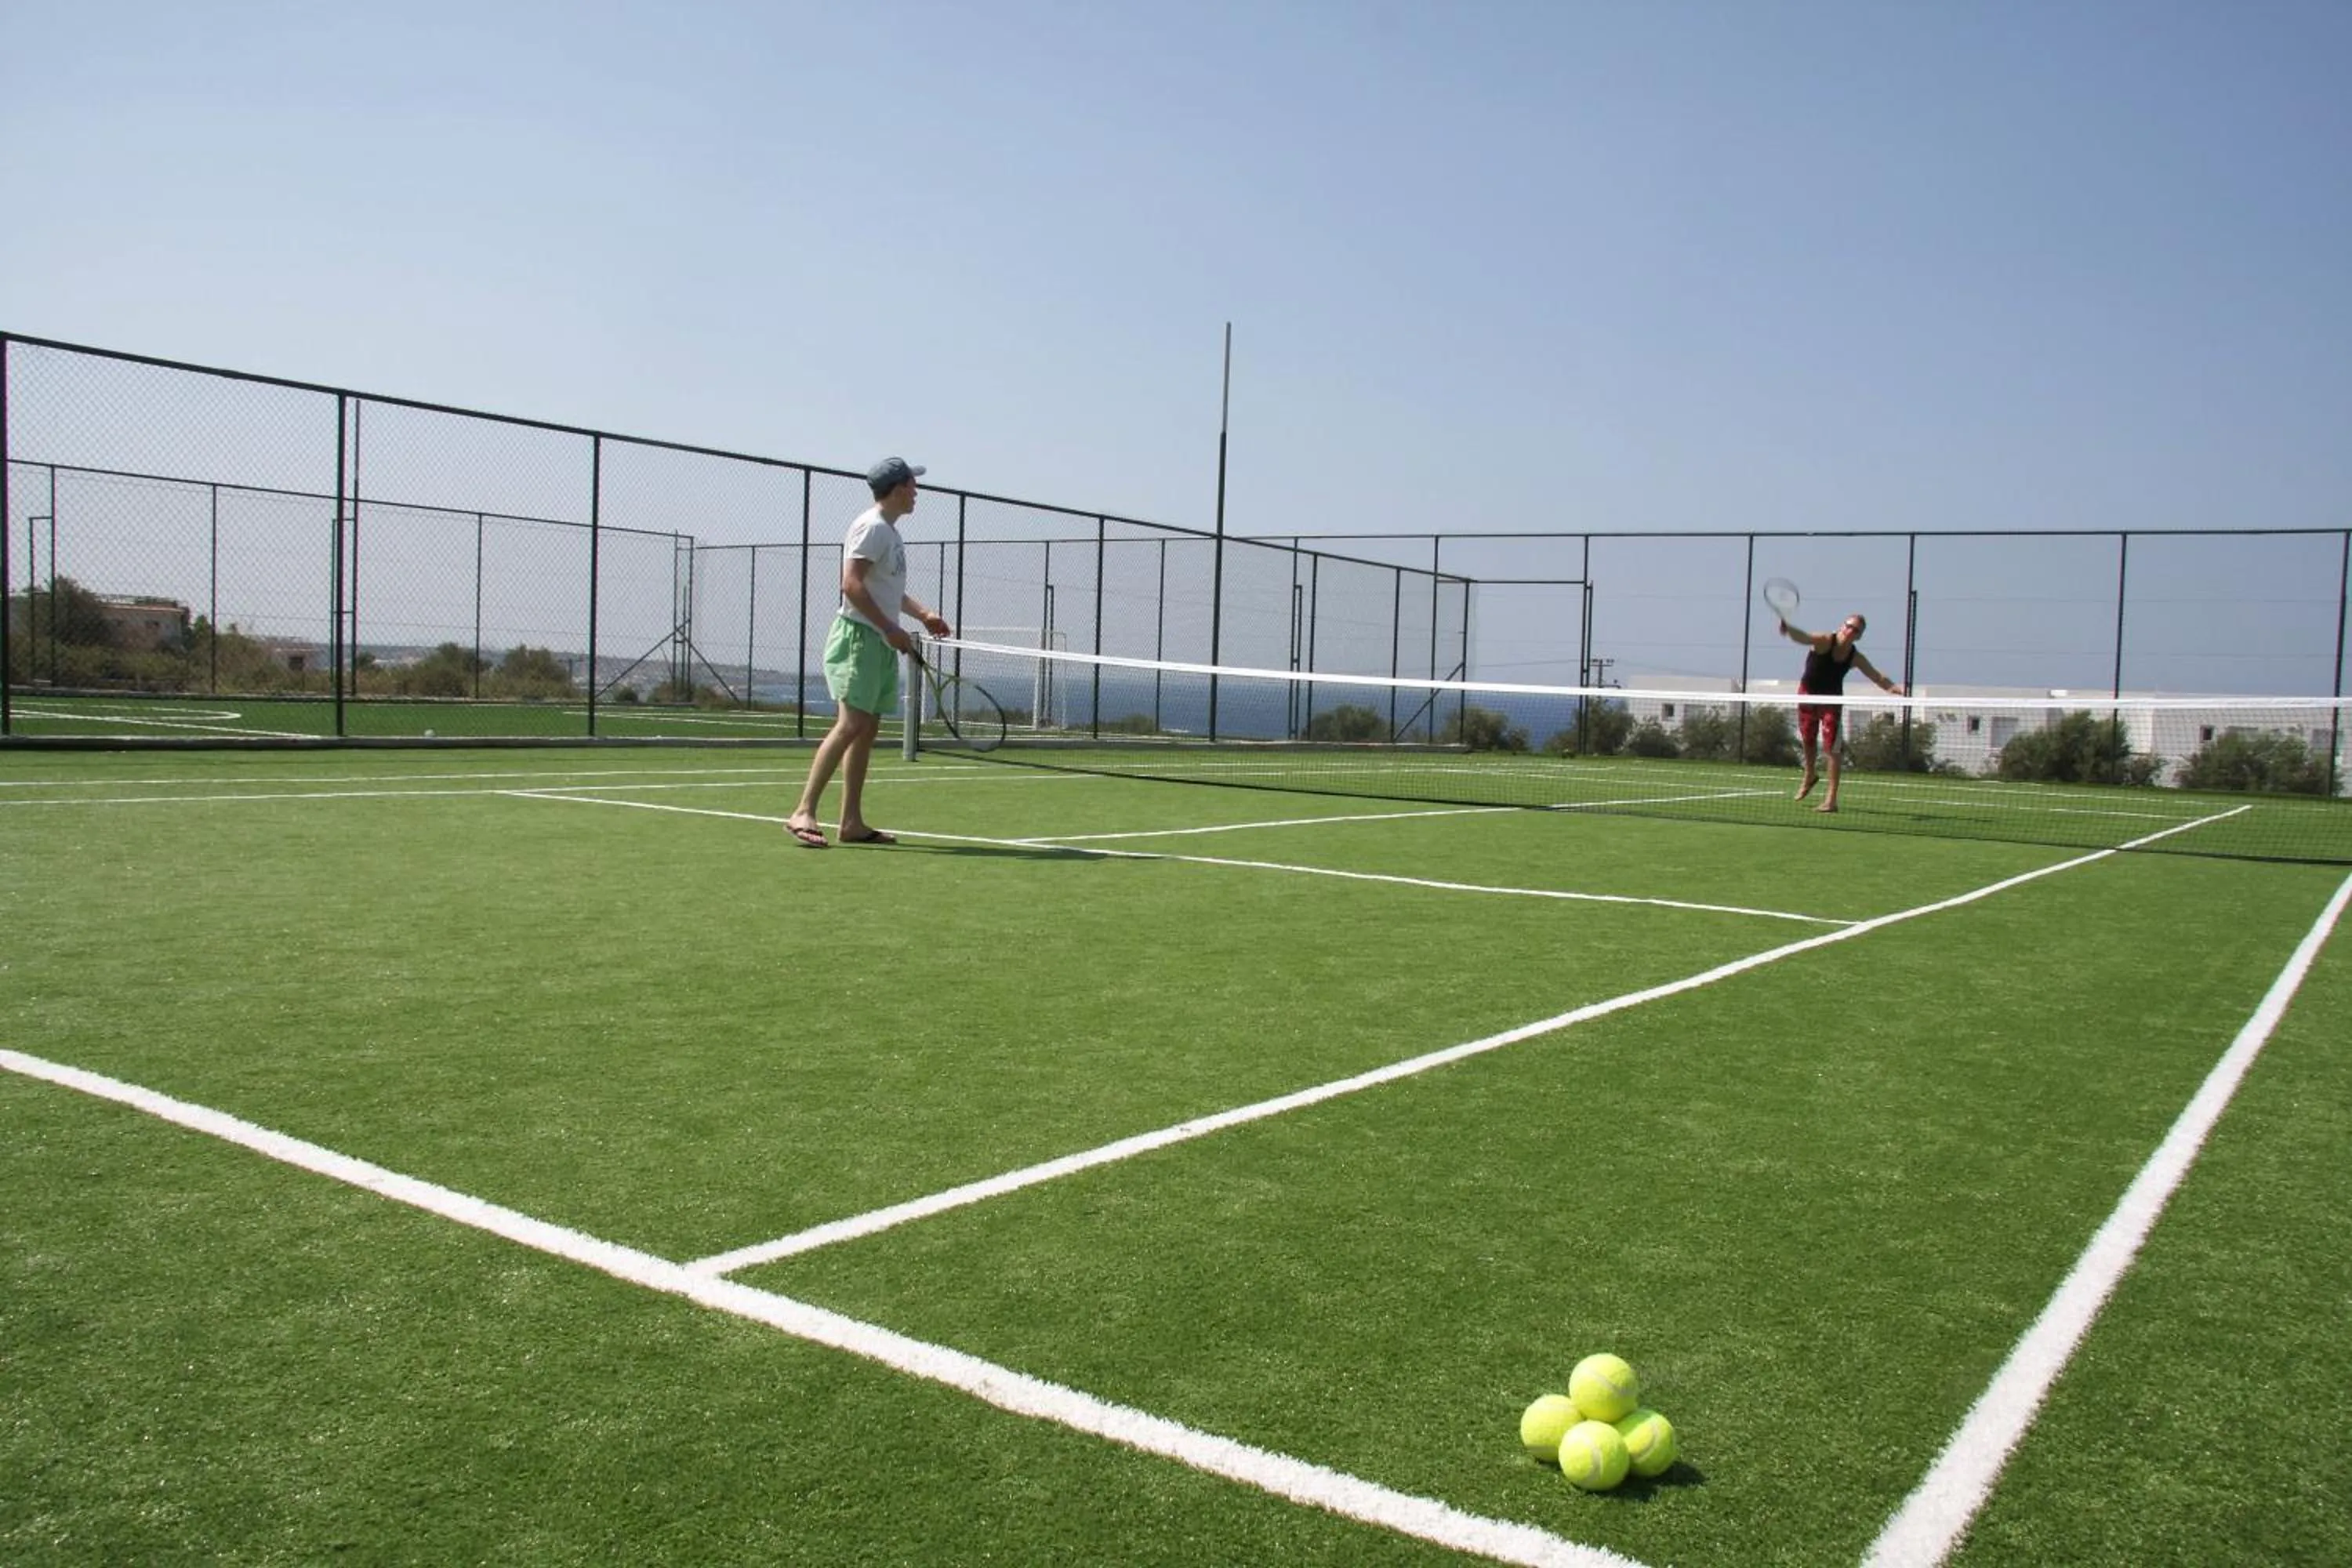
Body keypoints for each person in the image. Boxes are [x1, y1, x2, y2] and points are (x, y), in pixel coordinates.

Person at [785, 456, 952, 848]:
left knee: (867, 728)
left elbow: (888, 591)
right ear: (897, 489)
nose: (916, 492)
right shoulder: (872, 527)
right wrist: (889, 628)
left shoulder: (890, 533)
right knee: (851, 724)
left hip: (877, 641)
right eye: (912, 484)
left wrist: (923, 614)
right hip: (858, 638)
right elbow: (852, 584)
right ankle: (803, 811)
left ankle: (852, 822)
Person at [1777, 610, 1905, 813]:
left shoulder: (1855, 657)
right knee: (1808, 740)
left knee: (1833, 749)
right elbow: (1804, 637)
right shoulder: (1825, 640)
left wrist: (1895, 689)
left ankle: (1831, 801)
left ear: (1859, 636)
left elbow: (1876, 676)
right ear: (1842, 626)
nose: (1850, 631)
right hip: (1808, 694)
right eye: (1848, 626)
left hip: (1832, 701)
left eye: (1856, 630)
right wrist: (1789, 630)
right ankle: (1810, 775)